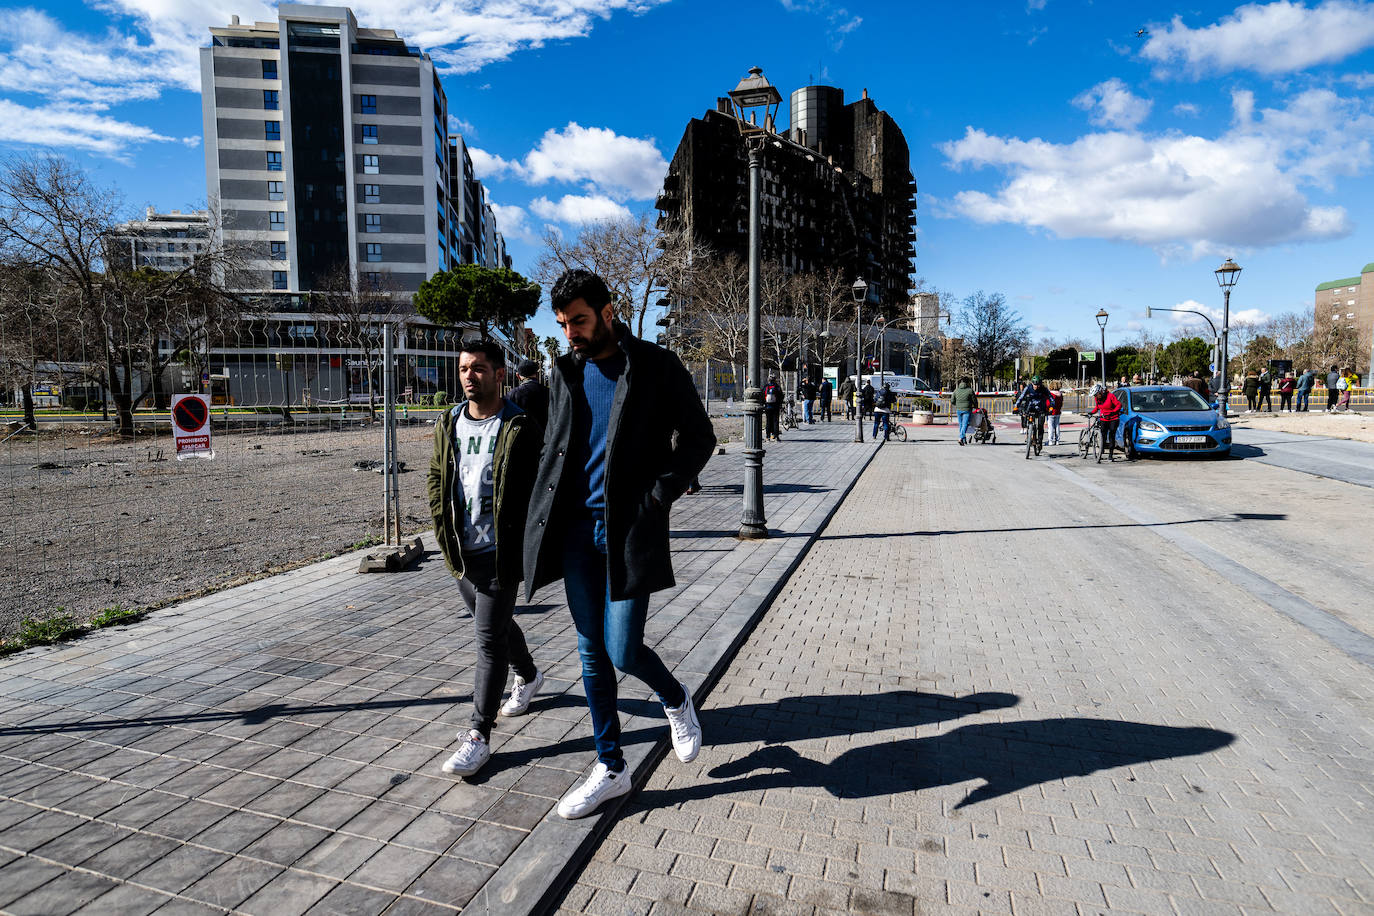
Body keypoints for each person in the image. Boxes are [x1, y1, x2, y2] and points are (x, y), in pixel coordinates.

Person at [524, 269, 714, 820]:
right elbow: (553, 446)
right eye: (562, 325)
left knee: (623, 649)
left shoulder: (655, 366)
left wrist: (661, 494)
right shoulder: (564, 372)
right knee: (590, 654)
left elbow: (699, 437)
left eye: (579, 321)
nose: (571, 334)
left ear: (609, 311)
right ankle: (610, 765)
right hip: (577, 536)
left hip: (630, 530)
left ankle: (676, 698)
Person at [428, 340, 545, 778]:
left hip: (501, 553)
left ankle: (479, 735)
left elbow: (541, 483)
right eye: (463, 369)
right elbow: (437, 475)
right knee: (494, 624)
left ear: (500, 374)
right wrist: (442, 529)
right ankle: (530, 675)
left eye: (478, 368)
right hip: (462, 551)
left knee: (487, 641)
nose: (468, 376)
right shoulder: (449, 421)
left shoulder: (518, 425)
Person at [507, 358, 549, 429]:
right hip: (545, 436)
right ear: (537, 374)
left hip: (521, 437)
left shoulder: (513, 394)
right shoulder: (549, 392)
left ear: (518, 376)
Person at [1088, 382, 1124, 461]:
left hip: (1113, 418)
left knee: (1111, 435)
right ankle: (1102, 450)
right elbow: (1097, 407)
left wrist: (1113, 412)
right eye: (1094, 395)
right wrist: (1091, 412)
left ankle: (1111, 454)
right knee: (1103, 435)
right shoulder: (1097, 398)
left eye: (1096, 394)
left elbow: (1119, 405)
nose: (1095, 396)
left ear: (1100, 392)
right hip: (1103, 418)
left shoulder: (1110, 396)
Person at [1014, 375, 1050, 448]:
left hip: (1041, 408)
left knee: (1040, 426)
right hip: (1031, 407)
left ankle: (1039, 441)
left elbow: (1051, 398)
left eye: (1038, 385)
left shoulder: (1044, 389)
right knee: (1028, 421)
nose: (1036, 386)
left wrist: (1051, 407)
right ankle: (1030, 434)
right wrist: (1016, 407)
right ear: (1032, 383)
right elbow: (1021, 397)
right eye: (1034, 385)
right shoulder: (1028, 388)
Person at [952, 376, 977, 445]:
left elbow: (952, 401)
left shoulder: (956, 390)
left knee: (961, 425)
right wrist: (976, 406)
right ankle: (960, 437)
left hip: (958, 410)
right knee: (965, 424)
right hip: (967, 409)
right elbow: (974, 400)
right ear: (968, 382)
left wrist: (957, 404)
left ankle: (964, 440)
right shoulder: (970, 390)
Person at [762, 374, 784, 441]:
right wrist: (780, 404)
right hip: (775, 407)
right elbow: (781, 396)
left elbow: (762, 396)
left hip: (767, 407)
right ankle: (775, 435)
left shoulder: (766, 387)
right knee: (775, 421)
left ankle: (767, 436)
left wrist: (764, 404)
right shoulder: (777, 387)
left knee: (768, 421)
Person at [1046, 381, 1065, 446]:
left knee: (1050, 427)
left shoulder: (1050, 394)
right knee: (1057, 426)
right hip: (1058, 412)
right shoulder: (1060, 394)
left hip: (1050, 412)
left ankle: (1050, 440)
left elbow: (1048, 404)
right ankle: (1057, 440)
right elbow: (1061, 403)